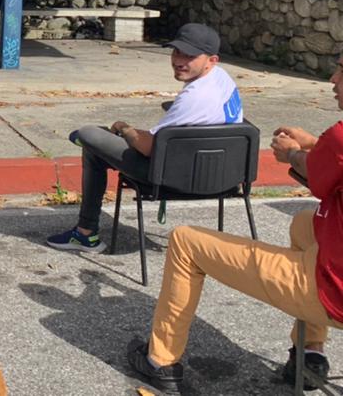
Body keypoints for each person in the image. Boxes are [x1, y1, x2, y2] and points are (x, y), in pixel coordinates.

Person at [126, 53, 343, 393]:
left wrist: (293, 153)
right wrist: (316, 143)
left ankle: (160, 361)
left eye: (341, 69)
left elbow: (319, 174)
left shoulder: (340, 138)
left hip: (331, 292)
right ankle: (310, 352)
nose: (332, 78)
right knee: (304, 223)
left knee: (185, 241)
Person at [47, 23, 244, 252]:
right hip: (223, 175)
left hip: (170, 179)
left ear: (212, 60)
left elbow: (149, 147)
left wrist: (124, 128)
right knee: (98, 144)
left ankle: (85, 233)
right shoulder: (223, 79)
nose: (179, 59)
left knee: (89, 135)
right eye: (176, 51)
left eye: (189, 55)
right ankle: (85, 228)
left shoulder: (195, 97)